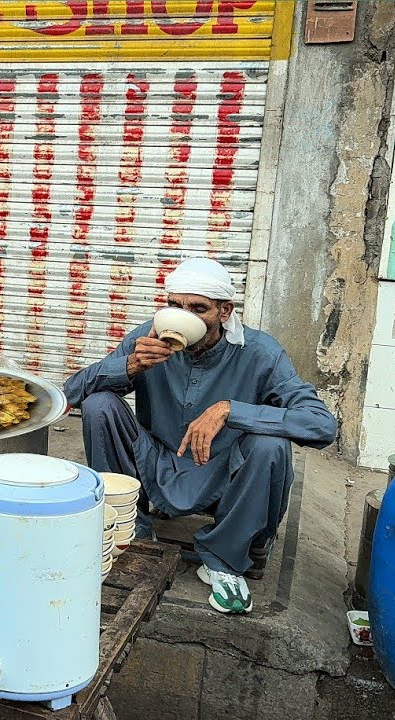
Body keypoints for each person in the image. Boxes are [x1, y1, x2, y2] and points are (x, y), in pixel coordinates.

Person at [64, 258, 337, 615]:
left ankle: (226, 556)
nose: (184, 317)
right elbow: (71, 393)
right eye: (175, 306)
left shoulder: (261, 353)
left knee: (271, 444)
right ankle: (133, 529)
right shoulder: (148, 337)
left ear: (225, 311)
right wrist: (128, 366)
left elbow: (321, 425)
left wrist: (231, 410)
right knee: (100, 405)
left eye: (198, 308)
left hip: (224, 472)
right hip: (157, 463)